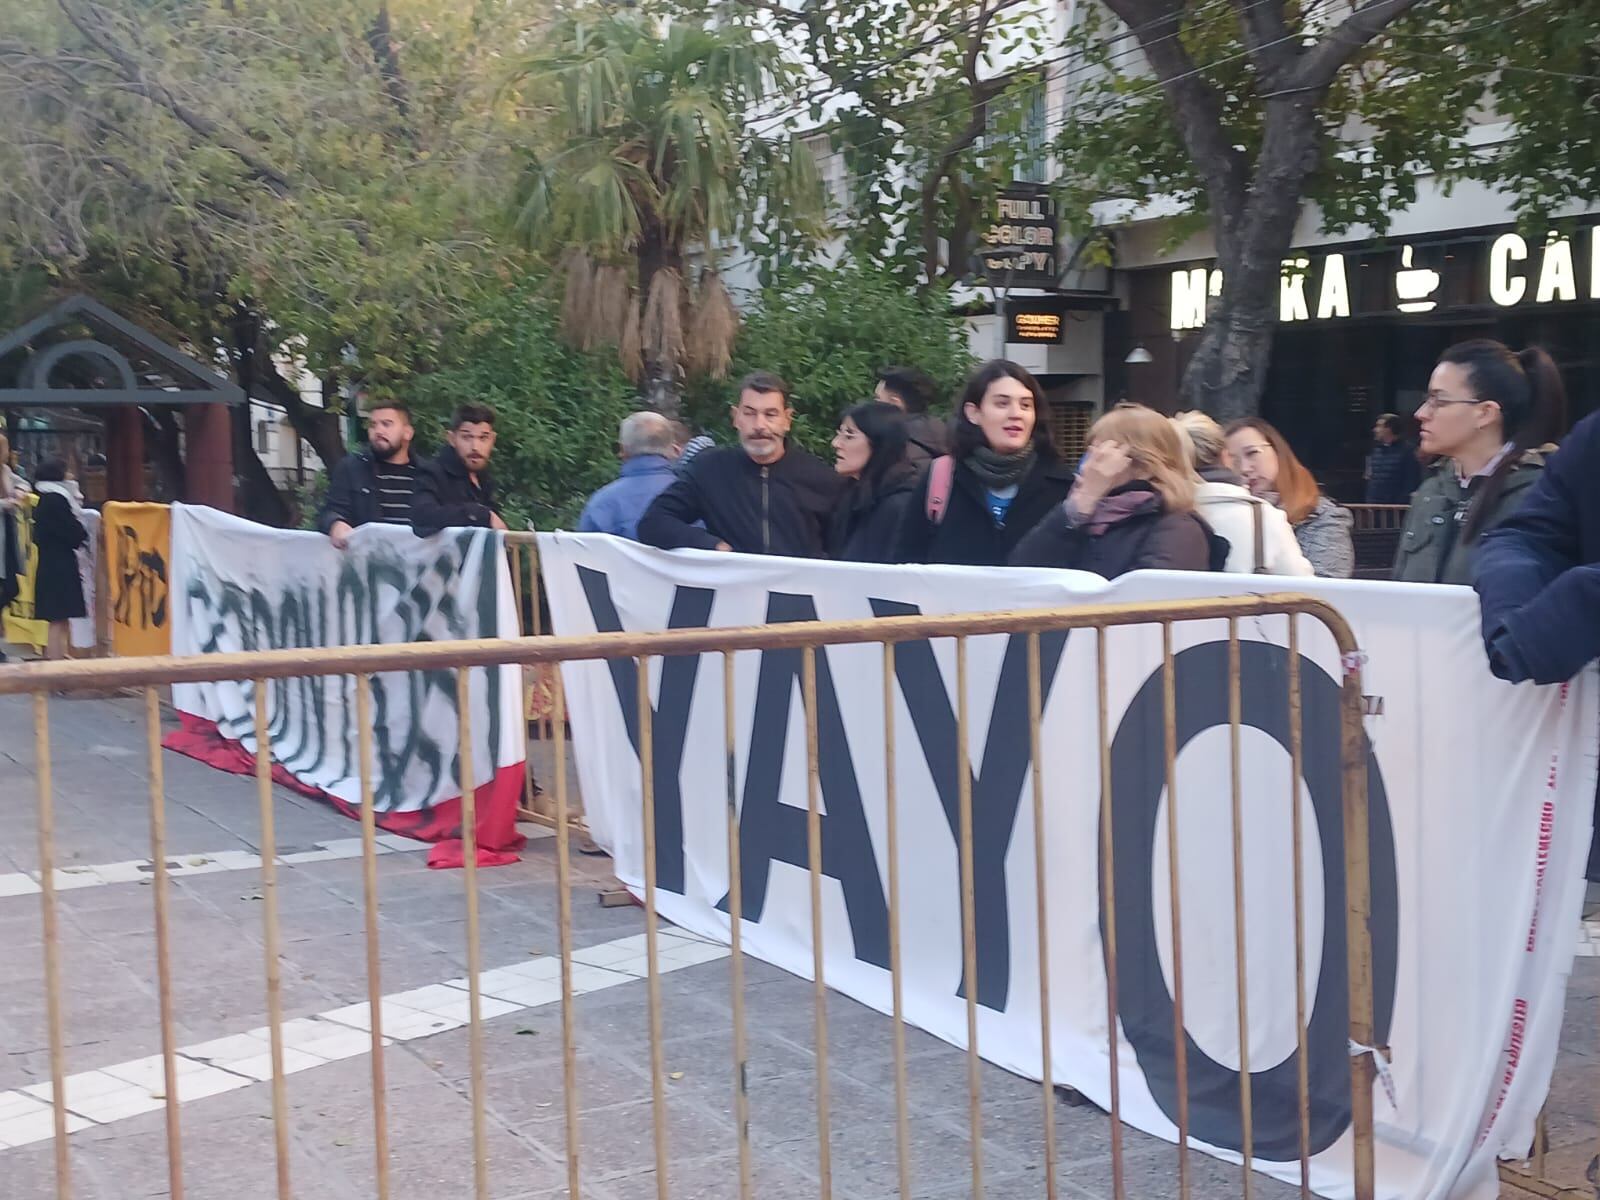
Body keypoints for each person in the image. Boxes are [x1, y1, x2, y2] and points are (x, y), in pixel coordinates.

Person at [1394, 340, 1563, 585]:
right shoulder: (1431, 492)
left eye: (1439, 401)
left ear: (1485, 413)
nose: (1421, 413)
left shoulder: (1541, 496)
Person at [638, 371, 842, 557]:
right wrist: (714, 546)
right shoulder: (710, 470)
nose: (759, 425)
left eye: (770, 414)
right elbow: (653, 523)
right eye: (749, 413)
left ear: (787, 420)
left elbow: (843, 549)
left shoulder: (822, 478)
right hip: (734, 594)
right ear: (736, 418)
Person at [892, 360, 1074, 566]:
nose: (1016, 414)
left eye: (1025, 405)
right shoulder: (942, 478)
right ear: (974, 413)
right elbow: (906, 564)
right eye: (1002, 403)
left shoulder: (1061, 485)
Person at [1010, 404, 1216, 577]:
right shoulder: (1084, 518)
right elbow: (1023, 573)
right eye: (1089, 453)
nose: (1089, 464)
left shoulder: (1178, 528)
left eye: (1103, 454)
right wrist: (1077, 506)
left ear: (1144, 465)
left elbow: (1147, 603)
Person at [1172, 411, 1312, 576]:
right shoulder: (1266, 518)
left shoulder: (1157, 512)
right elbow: (1304, 592)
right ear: (1225, 457)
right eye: (1235, 458)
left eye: (1252, 453)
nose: (1245, 468)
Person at [1225, 418, 1354, 579]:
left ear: (1278, 451)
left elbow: (1325, 591)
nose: (1244, 468)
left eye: (1252, 453)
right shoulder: (1230, 514)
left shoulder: (1326, 517)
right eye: (1233, 461)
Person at [318, 400, 421, 548]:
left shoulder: (427, 473)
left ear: (407, 433)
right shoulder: (351, 468)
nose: (378, 431)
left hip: (418, 564)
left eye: (387, 424)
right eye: (373, 425)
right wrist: (336, 524)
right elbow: (330, 510)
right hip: (367, 564)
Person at [829, 401, 918, 563]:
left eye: (849, 436)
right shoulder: (853, 492)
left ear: (879, 443)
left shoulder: (900, 503)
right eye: (839, 434)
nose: (835, 443)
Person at [578, 412, 681, 541]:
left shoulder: (601, 504)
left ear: (622, 450)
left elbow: (584, 556)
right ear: (675, 450)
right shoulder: (698, 498)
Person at [413, 403, 507, 537]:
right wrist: (478, 514)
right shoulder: (432, 473)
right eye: (467, 437)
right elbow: (422, 515)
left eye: (483, 438)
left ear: (492, 440)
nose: (475, 447)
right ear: (452, 438)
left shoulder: (484, 477)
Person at [30, 460, 88, 661]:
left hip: (51, 563)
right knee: (57, 618)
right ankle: (55, 668)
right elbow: (73, 532)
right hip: (59, 565)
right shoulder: (57, 499)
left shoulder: (45, 498)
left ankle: (58, 659)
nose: (71, 475)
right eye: (67, 471)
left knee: (60, 618)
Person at [875, 365, 948, 467]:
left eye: (877, 399)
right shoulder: (944, 437)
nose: (873, 405)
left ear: (895, 403)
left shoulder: (896, 453)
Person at [0, 435, 25, 662]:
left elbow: (22, 482)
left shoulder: (5, 471)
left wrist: (19, 491)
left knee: (10, 589)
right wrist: (6, 504)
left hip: (7, 537)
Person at [1365, 413, 1423, 505]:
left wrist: (1403, 500)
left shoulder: (1408, 451)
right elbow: (1371, 477)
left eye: (1379, 426)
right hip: (1375, 504)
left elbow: (1412, 479)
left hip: (1397, 507)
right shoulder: (1375, 451)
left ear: (1389, 429)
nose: (1375, 430)